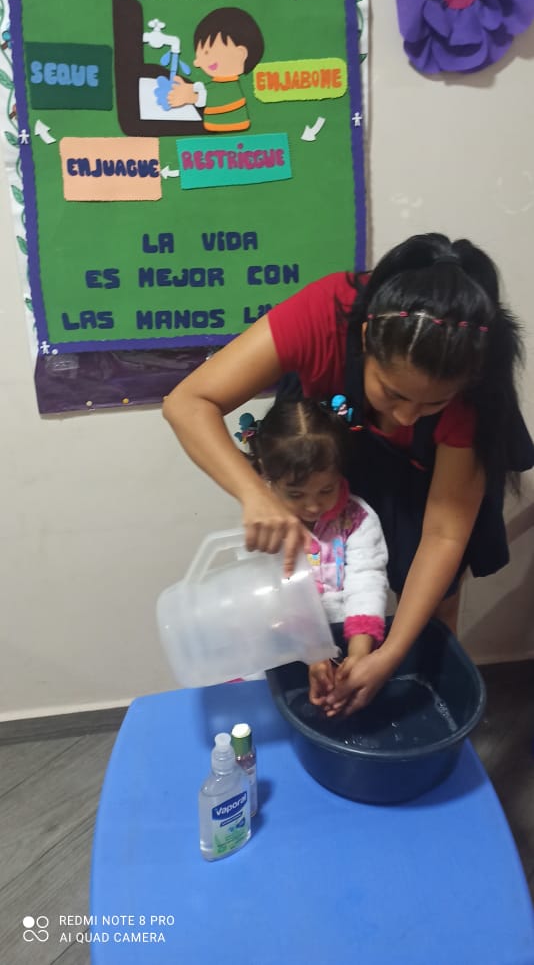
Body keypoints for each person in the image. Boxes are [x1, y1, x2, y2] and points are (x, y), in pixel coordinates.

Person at [163, 232, 534, 713]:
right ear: (363, 342)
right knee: (314, 569)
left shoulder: (474, 397)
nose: (406, 416)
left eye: (433, 403)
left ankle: (431, 698)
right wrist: (255, 494)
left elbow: (443, 534)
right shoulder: (326, 313)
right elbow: (188, 402)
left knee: (436, 593)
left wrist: (390, 655)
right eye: (394, 393)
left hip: (427, 470)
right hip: (337, 439)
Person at [237, 397, 390, 715]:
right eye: (296, 494)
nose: (312, 506)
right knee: (270, 711)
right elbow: (267, 596)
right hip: (283, 645)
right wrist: (311, 650)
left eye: (326, 490)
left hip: (346, 641)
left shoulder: (358, 520)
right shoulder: (266, 527)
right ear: (267, 475)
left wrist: (359, 653)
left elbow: (367, 580)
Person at [167, 6, 264, 132]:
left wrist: (191, 97)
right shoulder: (218, 83)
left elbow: (216, 97)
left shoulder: (231, 87)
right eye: (201, 53)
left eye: (207, 52)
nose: (197, 62)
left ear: (240, 55)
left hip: (232, 125)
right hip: (213, 127)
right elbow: (208, 89)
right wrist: (190, 87)